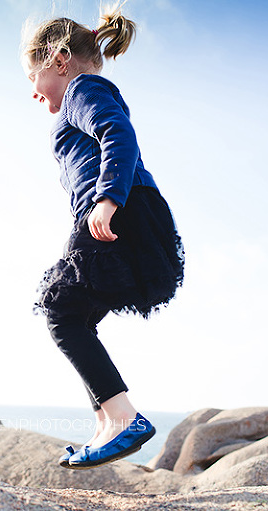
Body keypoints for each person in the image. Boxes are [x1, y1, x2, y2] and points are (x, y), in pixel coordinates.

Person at [22, 7, 185, 469]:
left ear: (57, 60)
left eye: (31, 76)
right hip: (124, 210)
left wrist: (107, 199)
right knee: (71, 313)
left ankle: (122, 418)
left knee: (61, 311)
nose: (32, 90)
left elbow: (118, 132)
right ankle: (106, 422)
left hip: (120, 209)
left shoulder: (82, 89)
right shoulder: (77, 93)